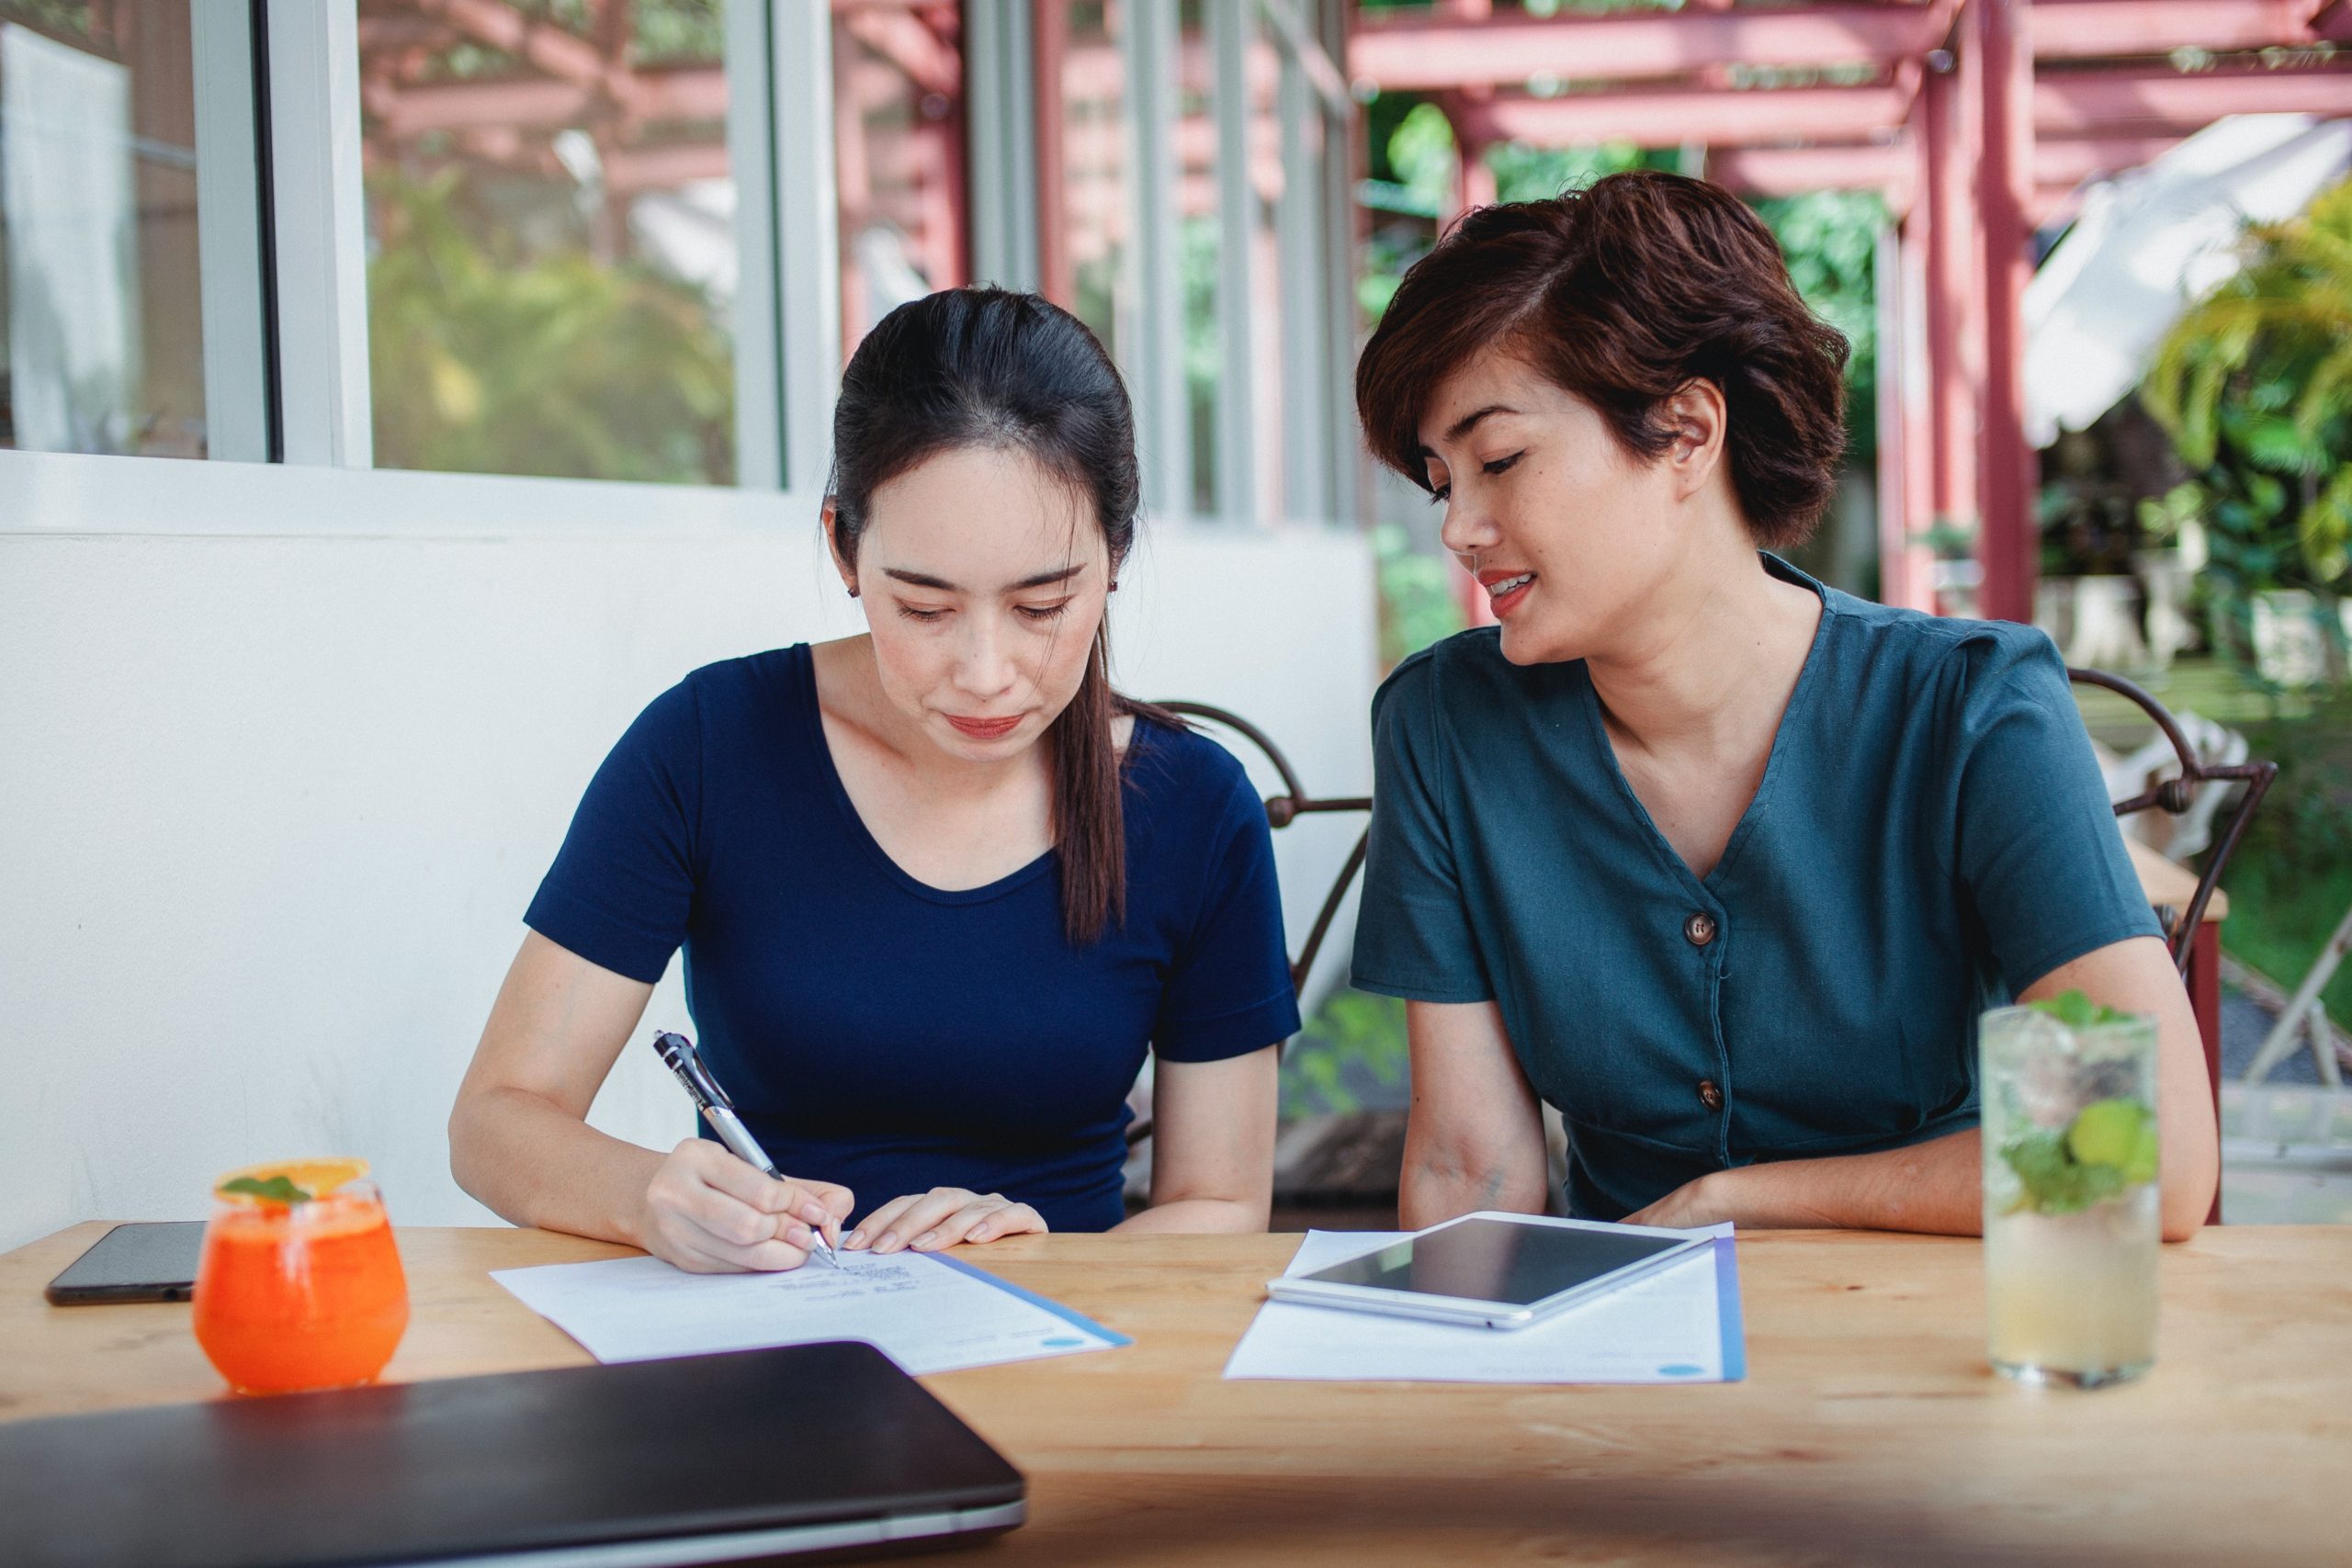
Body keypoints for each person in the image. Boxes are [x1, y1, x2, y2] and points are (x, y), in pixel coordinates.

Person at [1349, 171, 2218, 1240]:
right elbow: (1469, 1166)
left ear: (1685, 432)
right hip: (1619, 1351)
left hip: (1937, 1337)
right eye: (1443, 482)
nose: (1460, 529)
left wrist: (1734, 1203)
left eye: (1499, 460)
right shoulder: (1445, 727)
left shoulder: (1970, 709)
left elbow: (2150, 1148)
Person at [450, 288, 1295, 1271]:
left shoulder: (1192, 808)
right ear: (844, 549)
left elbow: (1222, 1206)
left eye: (1041, 606)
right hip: (769, 1344)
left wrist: (1045, 1254)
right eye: (925, 609)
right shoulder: (710, 747)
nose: (985, 673)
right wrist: (645, 1197)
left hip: (1068, 1349)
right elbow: (496, 1122)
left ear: (1113, 557)